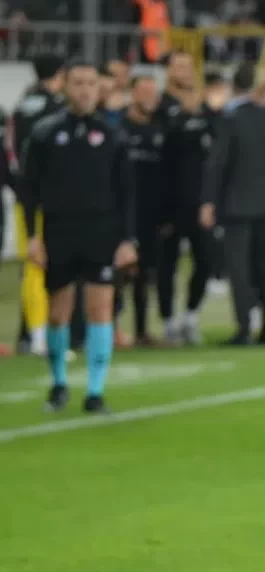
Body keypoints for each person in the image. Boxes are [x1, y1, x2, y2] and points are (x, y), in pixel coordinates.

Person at [23, 60, 137, 414]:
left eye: (90, 83)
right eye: (78, 82)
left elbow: (126, 192)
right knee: (59, 313)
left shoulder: (113, 135)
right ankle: (58, 383)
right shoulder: (45, 133)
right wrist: (33, 236)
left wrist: (127, 239)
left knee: (100, 308)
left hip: (101, 231)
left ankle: (95, 392)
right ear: (65, 86)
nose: (85, 89)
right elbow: (29, 189)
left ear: (99, 88)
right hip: (59, 230)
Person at [201, 62, 265, 346]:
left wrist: (208, 201)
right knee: (263, 266)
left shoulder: (232, 116)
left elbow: (218, 162)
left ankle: (244, 328)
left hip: (237, 202)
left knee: (239, 268)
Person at [159, 70, 226, 346]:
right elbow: (163, 167)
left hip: (202, 207)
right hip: (172, 207)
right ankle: (167, 322)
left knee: (205, 262)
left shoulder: (212, 121)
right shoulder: (171, 123)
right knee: (167, 267)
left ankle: (190, 316)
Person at [12, 53, 66, 357]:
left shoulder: (21, 105)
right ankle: (43, 336)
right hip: (52, 198)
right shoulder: (57, 109)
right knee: (48, 265)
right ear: (59, 74)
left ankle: (33, 335)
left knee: (32, 266)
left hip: (25, 196)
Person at [118, 74, 171, 346]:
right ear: (133, 94)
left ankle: (141, 331)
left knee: (146, 273)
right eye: (144, 92)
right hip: (123, 211)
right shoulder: (118, 128)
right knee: (120, 271)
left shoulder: (161, 128)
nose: (150, 98)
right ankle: (110, 326)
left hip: (153, 214)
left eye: (154, 93)